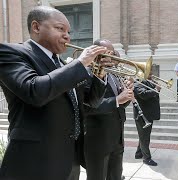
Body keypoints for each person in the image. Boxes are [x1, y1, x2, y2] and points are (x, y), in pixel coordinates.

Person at [0, 6, 108, 180]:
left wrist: (100, 73)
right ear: (36, 27)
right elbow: (34, 90)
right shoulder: (11, 52)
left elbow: (91, 102)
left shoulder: (64, 64)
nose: (67, 36)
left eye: (68, 31)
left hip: (69, 161)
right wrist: (80, 64)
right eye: (60, 29)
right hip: (34, 164)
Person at [83, 39, 133, 180]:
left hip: (117, 138)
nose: (113, 58)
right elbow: (88, 107)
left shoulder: (113, 74)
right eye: (108, 54)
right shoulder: (86, 72)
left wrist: (127, 96)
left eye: (112, 54)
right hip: (98, 141)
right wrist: (117, 99)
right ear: (96, 53)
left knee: (115, 176)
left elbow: (120, 106)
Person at [134, 67, 161, 166]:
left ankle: (138, 153)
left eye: (151, 72)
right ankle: (147, 158)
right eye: (149, 72)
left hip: (148, 114)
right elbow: (143, 94)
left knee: (144, 136)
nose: (151, 74)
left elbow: (153, 95)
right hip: (142, 115)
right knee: (145, 138)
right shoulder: (137, 82)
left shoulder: (148, 82)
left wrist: (155, 87)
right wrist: (155, 89)